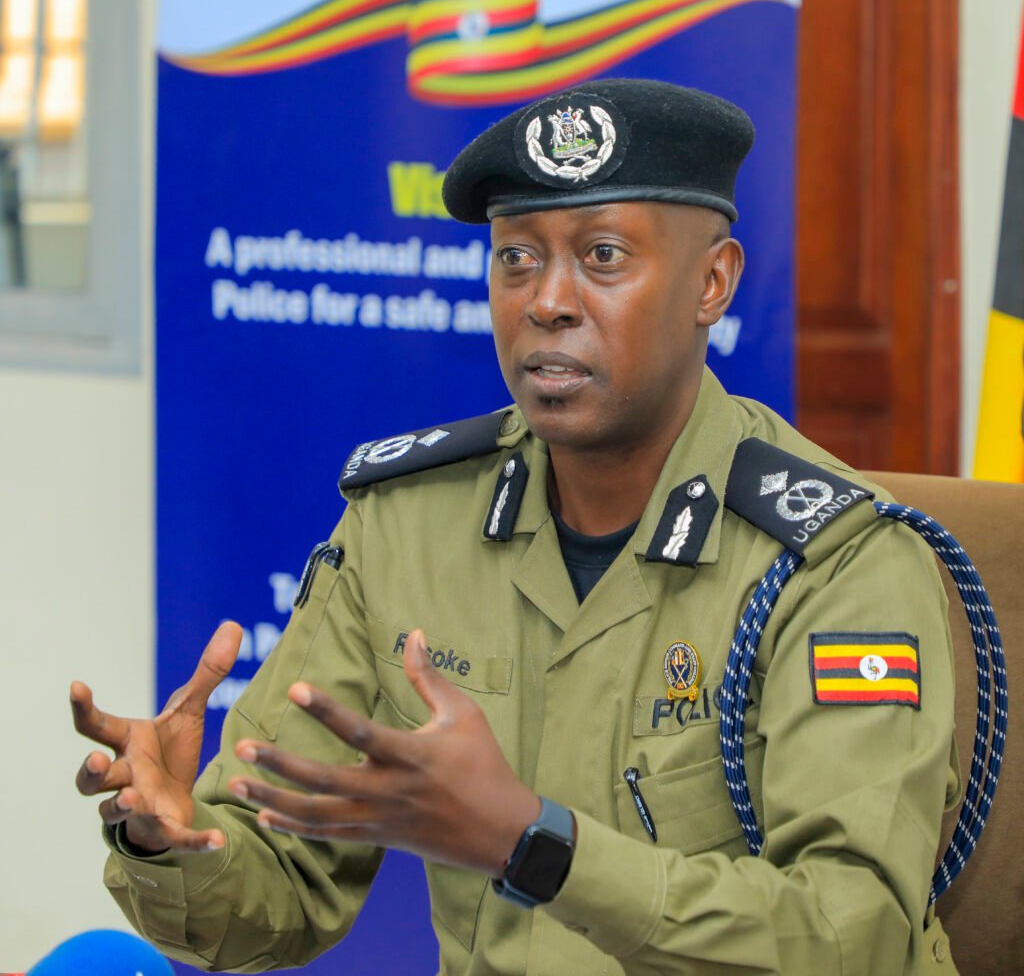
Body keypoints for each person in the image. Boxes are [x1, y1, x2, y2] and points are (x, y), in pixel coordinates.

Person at [71, 79, 961, 974]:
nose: (547, 302)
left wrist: (537, 846)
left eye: (603, 256)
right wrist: (171, 842)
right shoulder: (409, 524)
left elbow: (852, 937)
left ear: (712, 282)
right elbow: (281, 883)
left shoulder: (838, 561)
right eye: (517, 259)